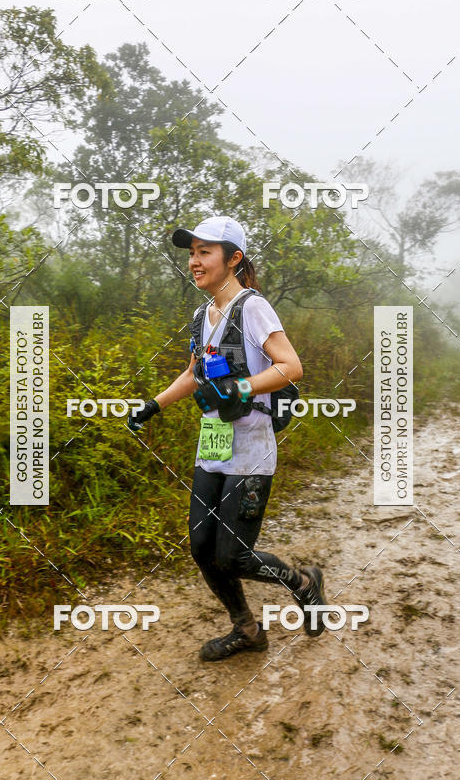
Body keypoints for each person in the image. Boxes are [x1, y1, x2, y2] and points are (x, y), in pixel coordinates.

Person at [129, 216, 327, 661]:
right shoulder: (203, 314)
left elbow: (290, 367)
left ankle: (305, 583)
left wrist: (241, 387)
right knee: (202, 548)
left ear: (233, 259)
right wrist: (155, 404)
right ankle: (248, 631)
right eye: (192, 253)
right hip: (214, 445)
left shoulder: (251, 308)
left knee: (234, 556)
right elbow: (195, 373)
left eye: (205, 253)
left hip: (251, 451)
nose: (194, 262)